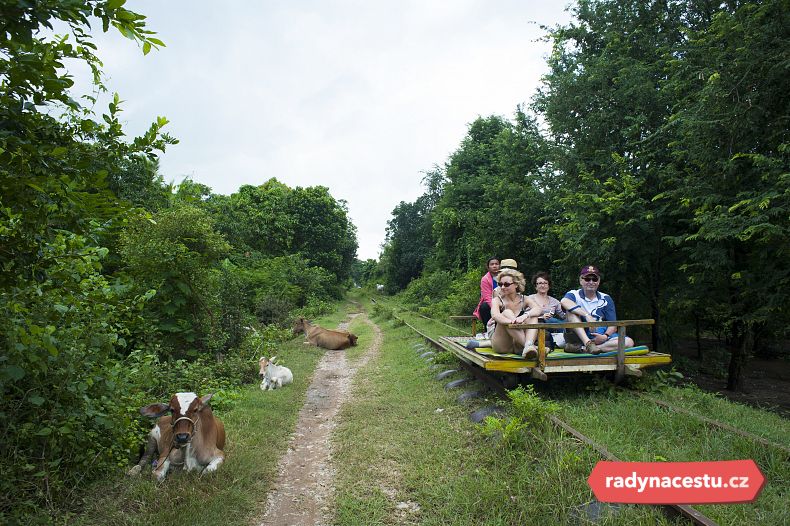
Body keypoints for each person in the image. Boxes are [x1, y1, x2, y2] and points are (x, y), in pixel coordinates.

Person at [560, 265, 634, 354]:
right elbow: (564, 301)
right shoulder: (574, 294)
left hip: (600, 335)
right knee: (570, 312)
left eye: (594, 279)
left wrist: (605, 336)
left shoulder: (606, 298)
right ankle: (588, 343)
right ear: (581, 280)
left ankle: (586, 349)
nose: (591, 282)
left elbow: (613, 325)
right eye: (587, 279)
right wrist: (587, 315)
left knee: (629, 342)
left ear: (598, 281)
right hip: (578, 335)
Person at [489, 268, 542, 359]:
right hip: (503, 344)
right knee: (507, 312)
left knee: (533, 316)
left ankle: (528, 345)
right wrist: (512, 321)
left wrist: (525, 316)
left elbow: (538, 309)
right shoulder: (497, 300)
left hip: (518, 344)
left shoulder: (524, 299)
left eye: (506, 284)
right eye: (500, 284)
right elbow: (495, 315)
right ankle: (531, 347)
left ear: (516, 284)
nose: (502, 287)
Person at [527, 271, 566, 348]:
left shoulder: (554, 301)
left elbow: (563, 316)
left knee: (560, 322)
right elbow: (527, 316)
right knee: (549, 320)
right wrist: (541, 317)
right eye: (540, 283)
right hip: (534, 326)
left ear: (549, 285)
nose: (543, 285)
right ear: (535, 286)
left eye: (545, 283)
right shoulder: (529, 299)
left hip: (551, 327)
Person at [473, 257, 500, 327]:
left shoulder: (504, 276)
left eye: (496, 264)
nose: (494, 266)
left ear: (500, 266)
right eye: (492, 264)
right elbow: (487, 297)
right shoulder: (485, 279)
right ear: (488, 267)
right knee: (484, 306)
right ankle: (488, 329)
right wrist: (496, 308)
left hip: (504, 301)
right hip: (491, 303)